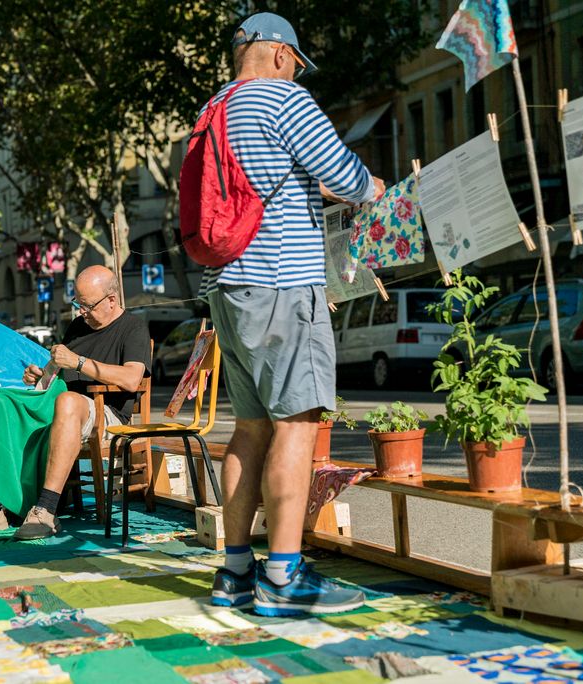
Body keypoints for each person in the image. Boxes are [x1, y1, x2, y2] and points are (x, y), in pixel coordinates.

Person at [198, 13, 386, 617]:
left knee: (250, 427)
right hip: (280, 283)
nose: (298, 74)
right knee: (297, 426)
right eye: (298, 64)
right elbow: (345, 174)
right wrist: (372, 187)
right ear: (281, 55)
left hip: (227, 285)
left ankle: (235, 573)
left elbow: (259, 182)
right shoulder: (285, 99)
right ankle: (283, 575)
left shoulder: (213, 109)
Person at [0, 265, 151, 540]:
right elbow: (58, 372)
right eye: (78, 304)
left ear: (112, 300)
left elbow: (131, 378)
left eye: (88, 306)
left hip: (106, 413)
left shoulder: (133, 327)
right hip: (59, 405)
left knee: (67, 401)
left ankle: (45, 510)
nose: (81, 312)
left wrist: (79, 362)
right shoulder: (78, 327)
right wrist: (40, 375)